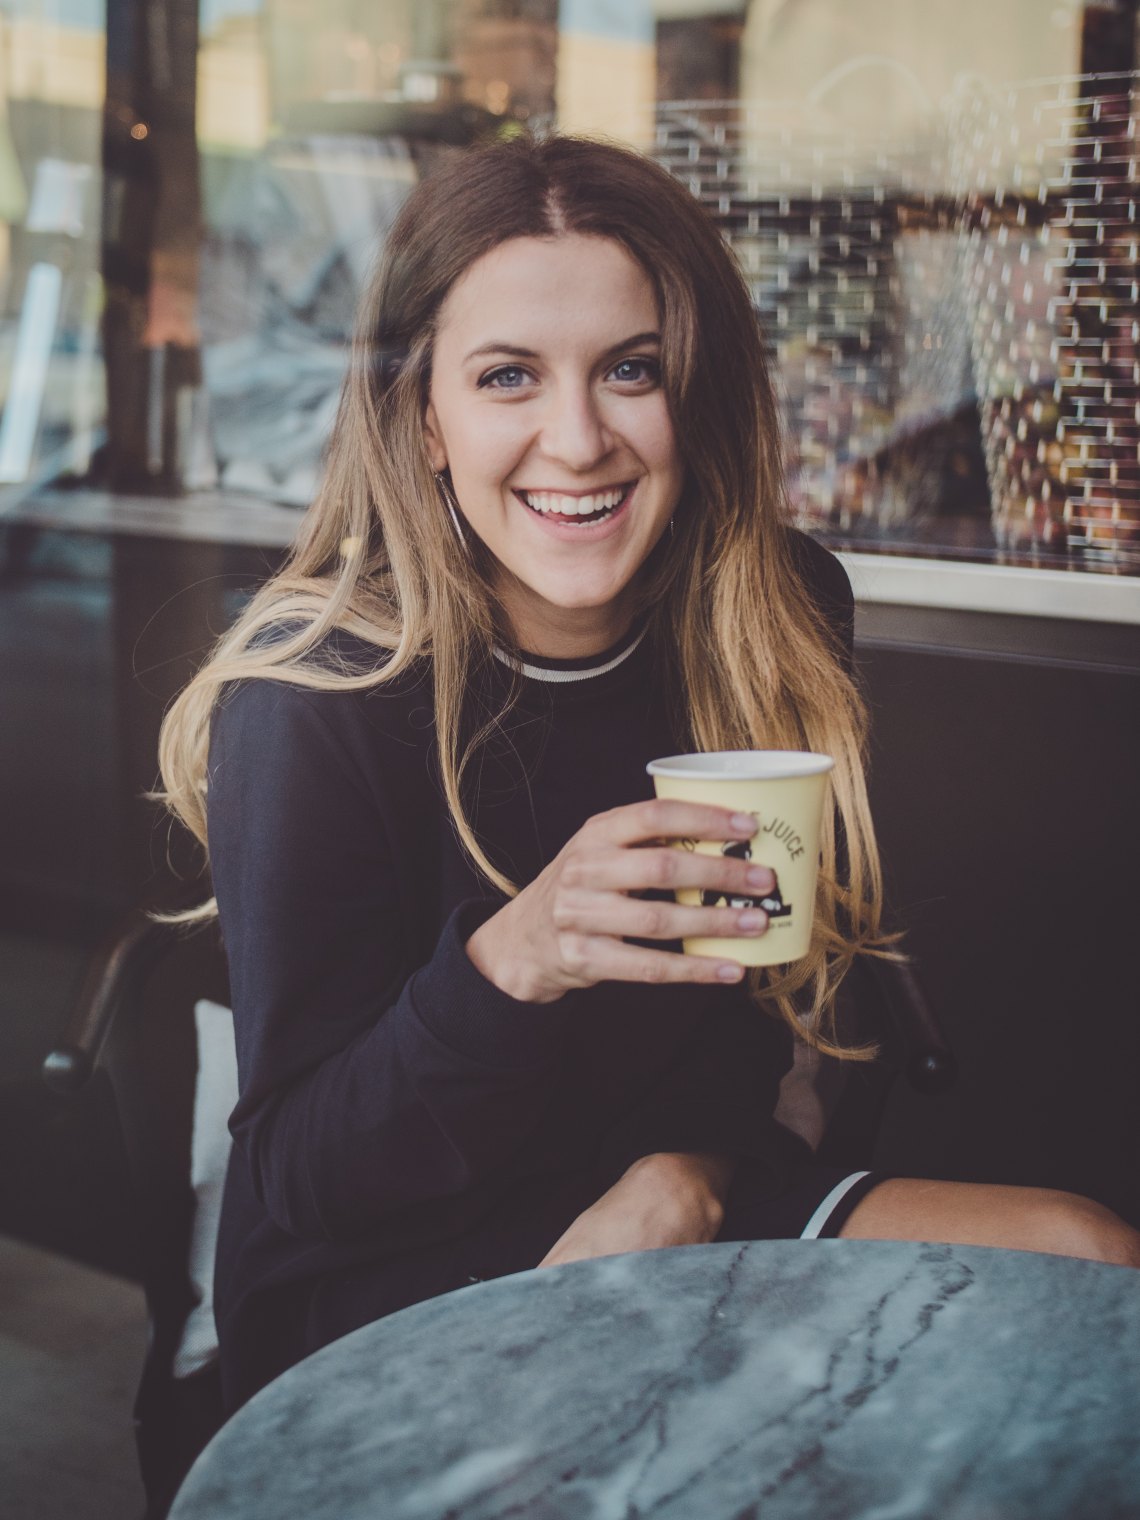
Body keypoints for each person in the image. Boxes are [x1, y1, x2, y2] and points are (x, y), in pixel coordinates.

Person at [157, 134, 1139, 1414]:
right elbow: (307, 1180)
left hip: (680, 1188)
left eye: (632, 369)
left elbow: (762, 1010)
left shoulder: (777, 609)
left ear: (700, 390)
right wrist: (518, 957)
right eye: (508, 375)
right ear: (427, 422)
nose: (578, 439)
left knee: (1091, 1256)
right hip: (395, 1265)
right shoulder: (317, 691)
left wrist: (689, 1172)